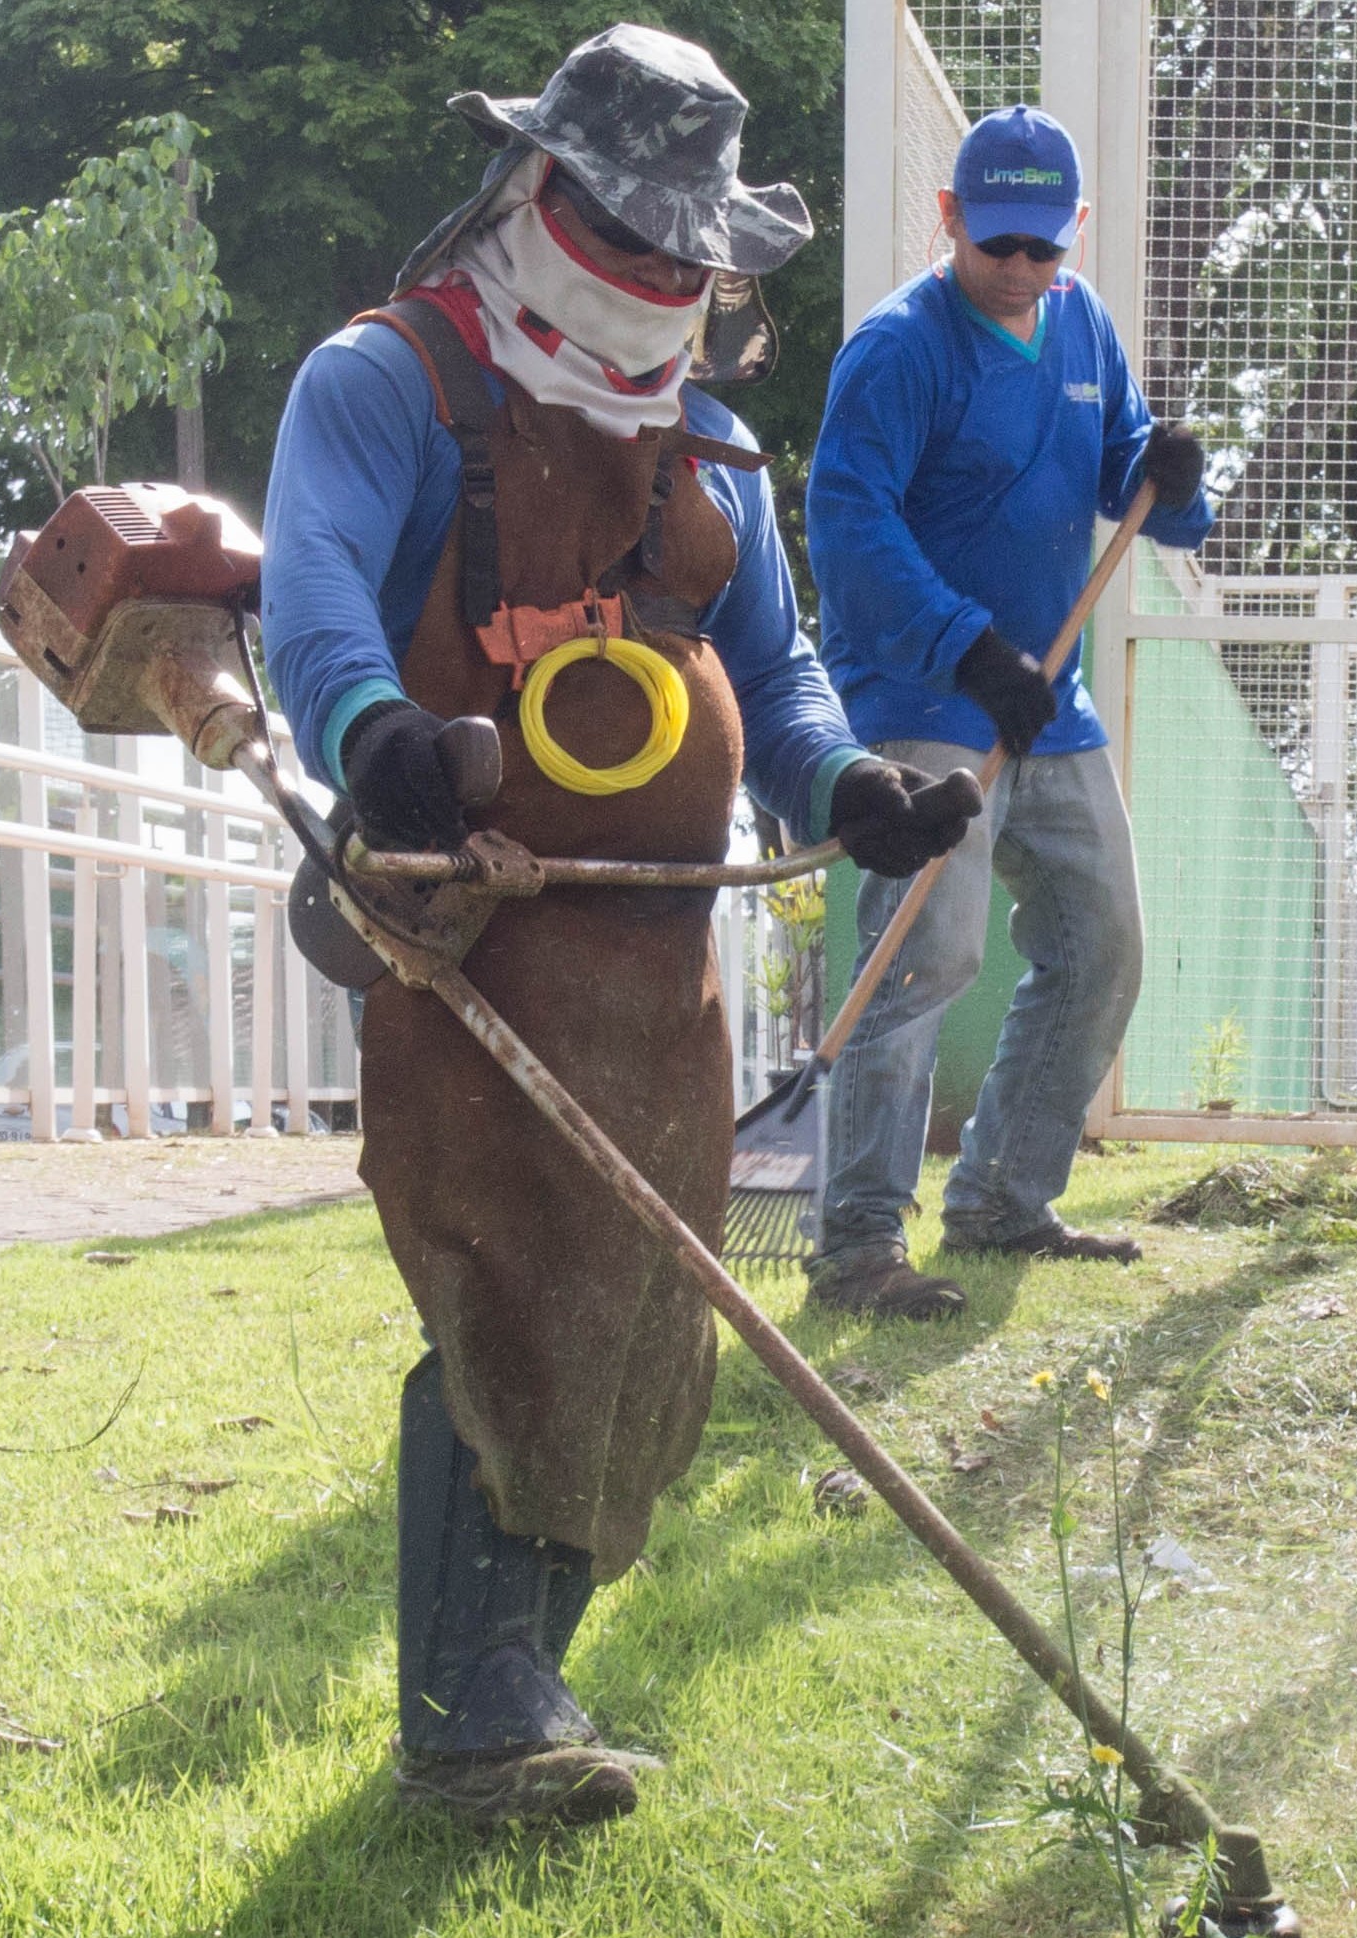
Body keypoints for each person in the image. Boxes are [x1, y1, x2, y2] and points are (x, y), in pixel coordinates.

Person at [255, 24, 979, 1832]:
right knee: (513, 1272)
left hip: (661, 980)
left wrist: (845, 791)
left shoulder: (712, 465)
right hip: (461, 929)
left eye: (691, 254)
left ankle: (523, 1668)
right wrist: (374, 736)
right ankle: (472, 1715)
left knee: (656, 1312)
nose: (665, 277)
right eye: (636, 238)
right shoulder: (387, 385)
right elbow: (316, 580)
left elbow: (779, 670)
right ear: (538, 192)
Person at [800, 105, 1215, 1321]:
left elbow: (1129, 473)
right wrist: (968, 653)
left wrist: (1173, 477)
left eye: (1045, 246)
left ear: (1073, 232)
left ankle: (999, 1199)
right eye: (999, 246)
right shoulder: (895, 351)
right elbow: (849, 529)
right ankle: (857, 1246)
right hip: (931, 695)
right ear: (949, 222)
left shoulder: (1081, 324)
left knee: (1102, 944)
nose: (1023, 269)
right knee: (927, 955)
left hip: (1051, 703)